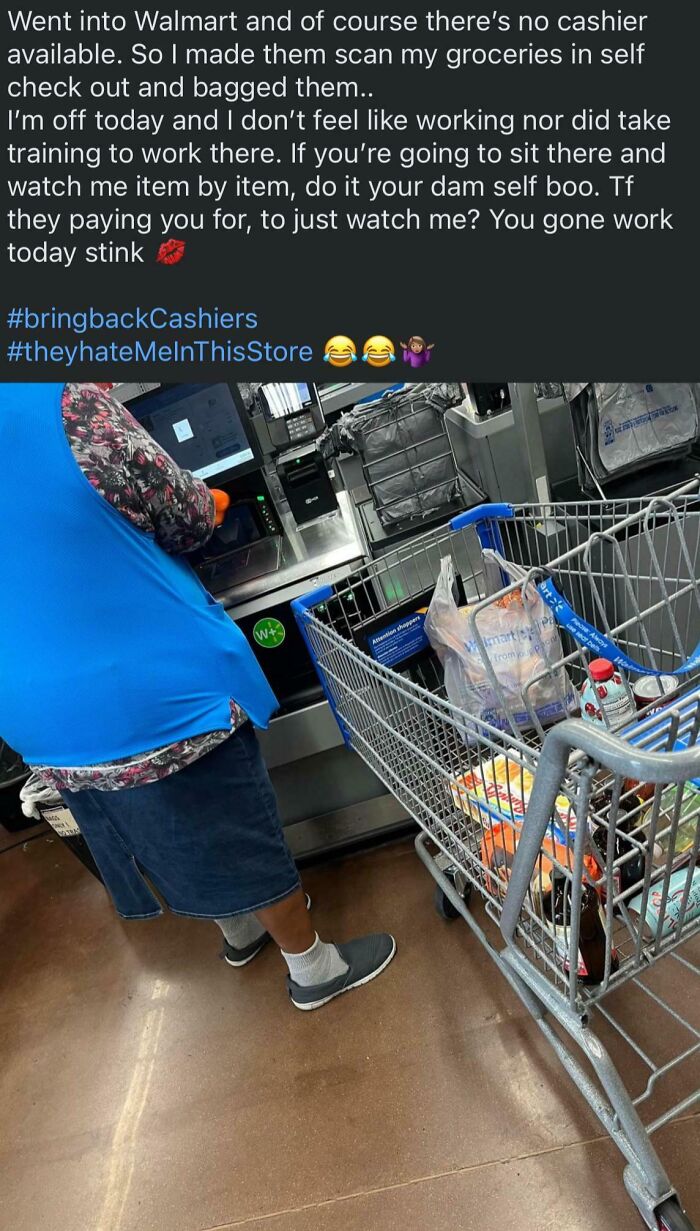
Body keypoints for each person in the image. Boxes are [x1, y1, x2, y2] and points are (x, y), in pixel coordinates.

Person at [0, 383, 396, 1010]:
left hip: (36, 716)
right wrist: (210, 505)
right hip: (147, 688)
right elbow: (183, 517)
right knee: (228, 822)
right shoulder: (65, 405)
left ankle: (239, 931)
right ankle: (314, 968)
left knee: (160, 825)